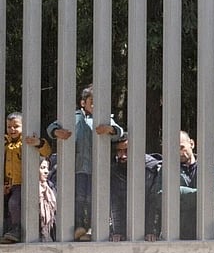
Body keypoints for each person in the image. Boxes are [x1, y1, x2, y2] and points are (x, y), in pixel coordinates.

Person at [46, 84, 125, 240]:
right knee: (79, 197)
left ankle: (90, 227)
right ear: (83, 103)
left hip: (97, 168)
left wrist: (109, 130)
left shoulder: (105, 119)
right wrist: (57, 131)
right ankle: (78, 225)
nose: (96, 105)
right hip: (78, 167)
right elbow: (52, 127)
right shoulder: (74, 117)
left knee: (92, 197)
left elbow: (119, 132)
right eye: (92, 101)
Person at [3, 112, 53, 243]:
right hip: (9, 183)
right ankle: (9, 229)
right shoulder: (6, 144)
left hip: (22, 183)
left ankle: (17, 229)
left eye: (16, 126)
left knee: (14, 203)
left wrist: (38, 142)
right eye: (9, 127)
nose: (12, 129)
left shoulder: (24, 143)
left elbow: (47, 151)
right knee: (8, 207)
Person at [109, 135, 162, 242]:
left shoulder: (153, 169)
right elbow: (116, 203)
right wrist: (118, 232)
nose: (122, 156)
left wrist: (151, 231)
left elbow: (155, 202)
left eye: (126, 151)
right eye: (119, 151)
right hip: (126, 228)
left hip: (152, 230)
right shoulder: (115, 170)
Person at [171, 130, 214, 240]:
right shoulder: (167, 169)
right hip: (176, 233)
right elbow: (160, 195)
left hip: (207, 232)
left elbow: (212, 193)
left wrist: (177, 192)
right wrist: (199, 197)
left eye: (181, 147)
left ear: (192, 144)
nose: (179, 152)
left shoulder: (211, 168)